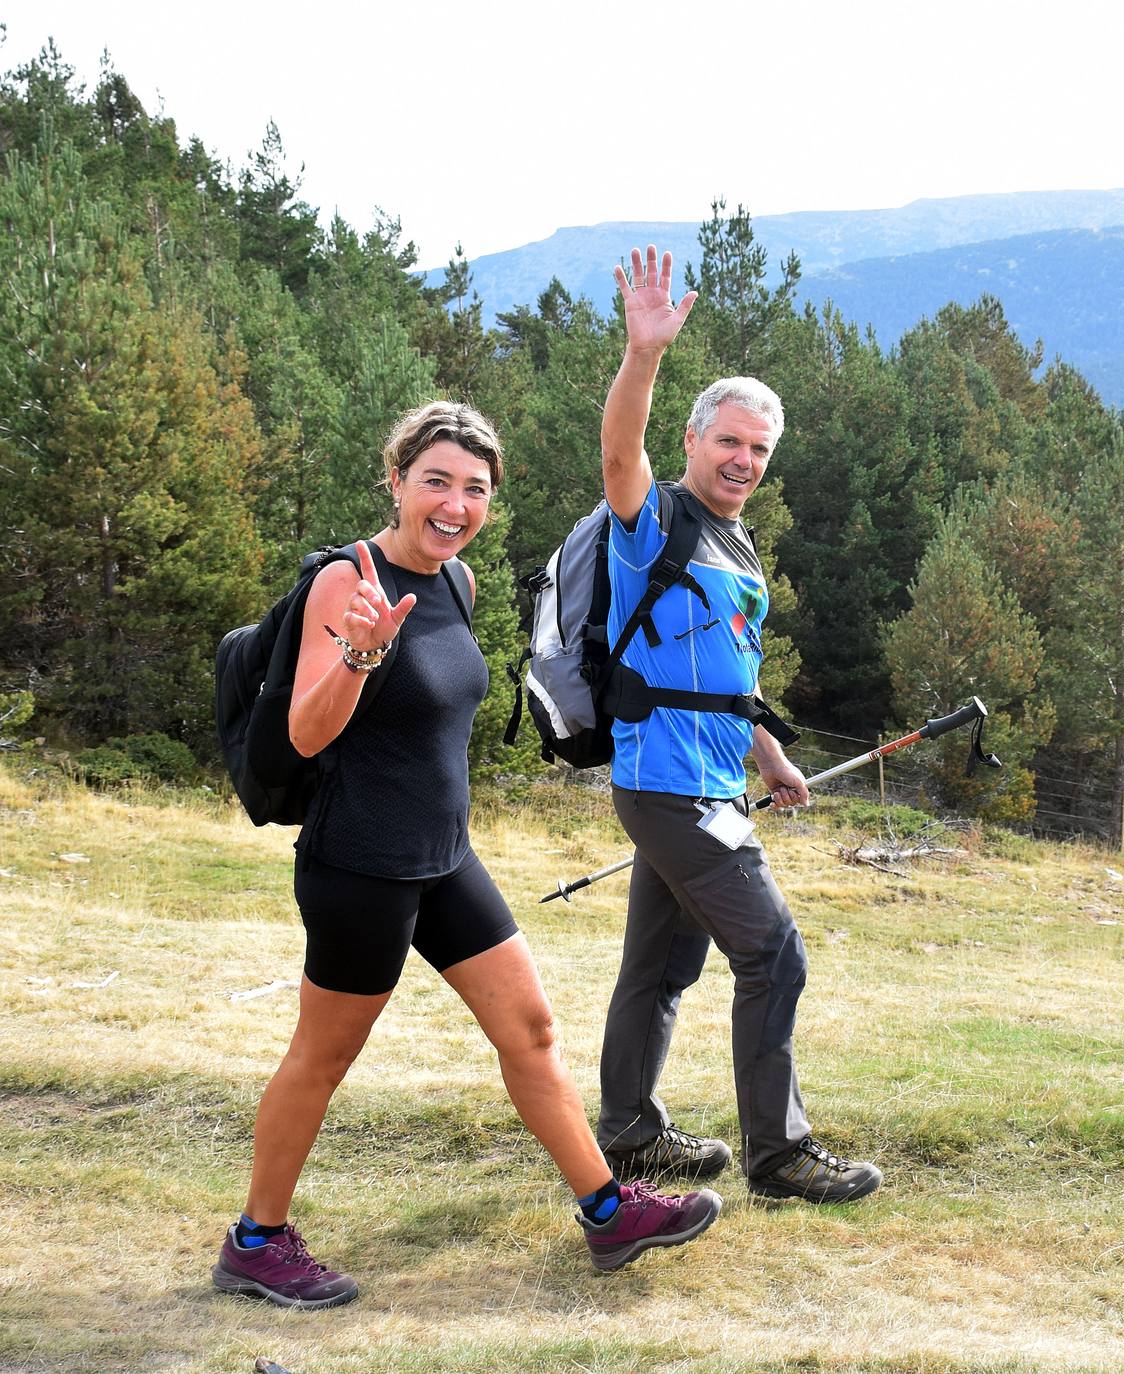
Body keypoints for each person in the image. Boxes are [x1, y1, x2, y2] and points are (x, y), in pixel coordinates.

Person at [213, 402, 720, 1311]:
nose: (454, 505)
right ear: (397, 479)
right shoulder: (349, 583)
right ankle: (256, 1241)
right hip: (361, 865)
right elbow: (302, 731)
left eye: (474, 489)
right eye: (436, 482)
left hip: (443, 857)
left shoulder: (458, 582)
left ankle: (608, 1213)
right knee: (321, 1059)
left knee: (529, 1029)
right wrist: (361, 657)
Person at [594, 245, 881, 1204]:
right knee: (773, 954)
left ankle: (630, 1134)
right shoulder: (654, 521)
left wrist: (771, 754)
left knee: (661, 966)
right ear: (692, 438)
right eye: (730, 442)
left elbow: (730, 673)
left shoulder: (736, 542)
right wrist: (643, 357)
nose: (744, 461)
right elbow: (617, 455)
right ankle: (781, 1154)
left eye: (759, 449)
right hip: (670, 783)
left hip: (707, 777)